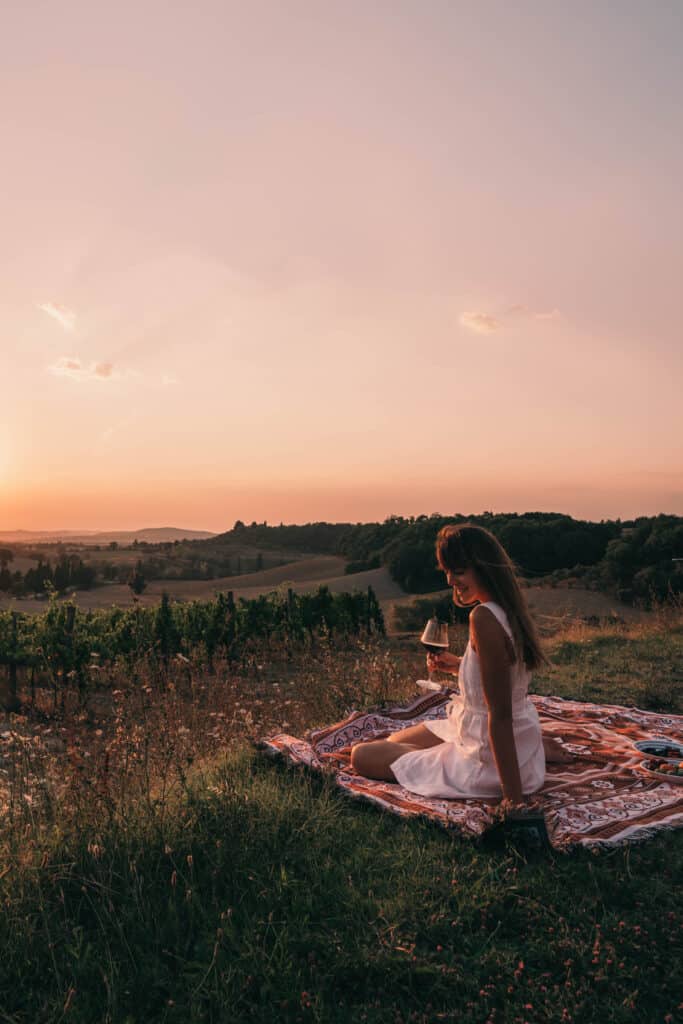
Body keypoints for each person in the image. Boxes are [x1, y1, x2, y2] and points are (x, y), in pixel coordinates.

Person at [350, 523, 570, 809]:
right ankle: (532, 750)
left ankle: (444, 761)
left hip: (484, 758)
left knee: (362, 755)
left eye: (458, 571)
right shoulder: (508, 611)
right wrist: (458, 666)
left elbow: (500, 717)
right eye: (446, 572)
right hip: (509, 739)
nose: (451, 580)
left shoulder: (483, 618)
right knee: (394, 739)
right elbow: (501, 676)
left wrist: (514, 802)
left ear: (484, 568)